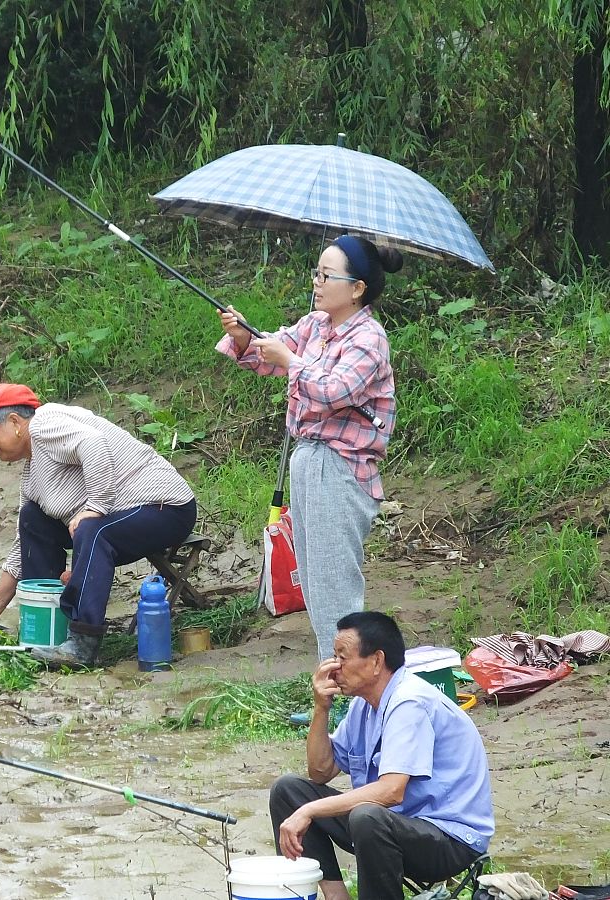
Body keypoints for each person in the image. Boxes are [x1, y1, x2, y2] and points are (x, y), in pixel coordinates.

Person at [217, 235, 399, 661]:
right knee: (315, 580)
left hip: (340, 468)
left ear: (356, 288)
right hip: (308, 460)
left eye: (326, 275)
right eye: (315, 273)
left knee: (335, 582)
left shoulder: (369, 339)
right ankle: (331, 684)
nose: (316, 282)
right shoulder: (315, 325)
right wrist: (245, 336)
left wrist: (289, 360)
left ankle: (350, 693)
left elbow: (333, 390)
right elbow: (268, 353)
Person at [0, 383, 197, 667]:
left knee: (93, 530)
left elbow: (93, 443)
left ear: (14, 422)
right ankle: (49, 630)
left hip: (166, 508)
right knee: (32, 518)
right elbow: (23, 547)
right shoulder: (32, 475)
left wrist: (95, 506)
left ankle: (83, 644)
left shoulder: (45, 423)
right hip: (119, 520)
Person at [269, 611, 494, 900]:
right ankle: (337, 897)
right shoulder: (362, 706)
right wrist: (320, 708)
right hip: (389, 826)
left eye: (342, 657)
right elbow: (320, 772)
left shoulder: (408, 701)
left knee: (367, 816)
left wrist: (309, 811)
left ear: (376, 661)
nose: (334, 667)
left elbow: (391, 791)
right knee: (288, 791)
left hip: (449, 840)